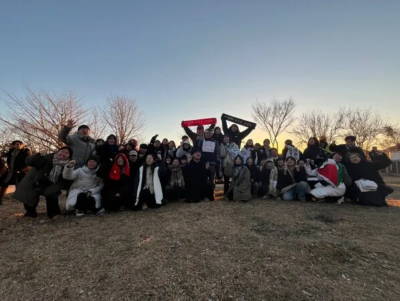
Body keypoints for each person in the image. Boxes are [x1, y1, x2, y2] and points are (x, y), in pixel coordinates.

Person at [13, 146, 73, 219]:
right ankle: (30, 213)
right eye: (62, 151)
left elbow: (67, 177)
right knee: (29, 192)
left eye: (66, 153)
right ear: (58, 151)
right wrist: (38, 155)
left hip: (52, 182)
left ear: (69, 156)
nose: (63, 154)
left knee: (52, 192)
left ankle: (54, 214)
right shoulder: (46, 157)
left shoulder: (68, 164)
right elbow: (29, 162)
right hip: (36, 179)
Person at [0, 140, 32, 204]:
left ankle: (21, 200)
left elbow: (29, 160)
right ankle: (0, 199)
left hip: (20, 172)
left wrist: (26, 168)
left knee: (19, 185)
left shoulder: (25, 152)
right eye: (17, 144)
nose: (19, 145)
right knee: (3, 184)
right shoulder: (10, 152)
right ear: (13, 145)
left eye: (21, 144)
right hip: (10, 172)